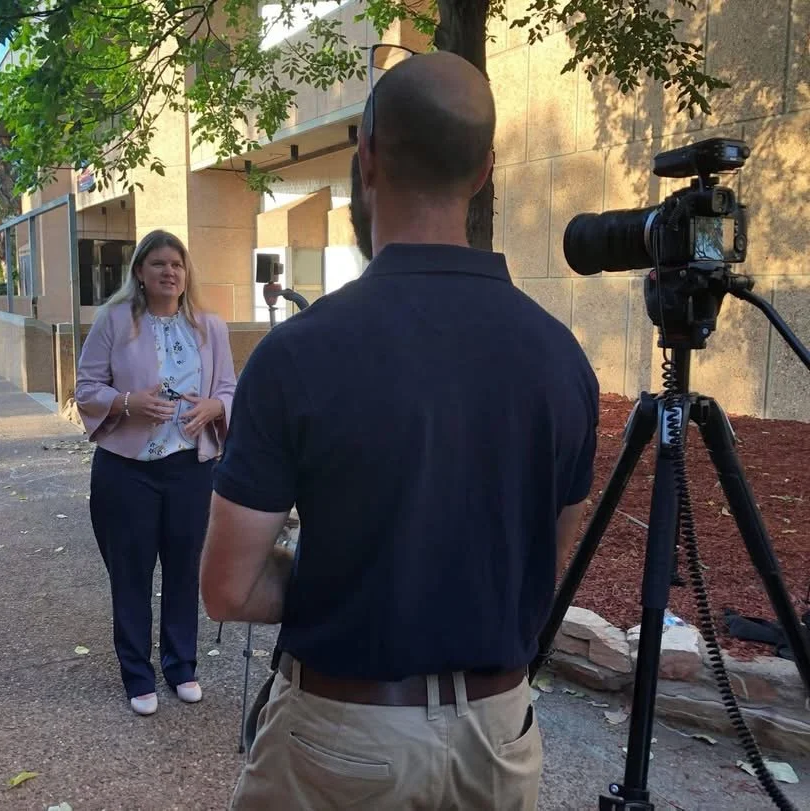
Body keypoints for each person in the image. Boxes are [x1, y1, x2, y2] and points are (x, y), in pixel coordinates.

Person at [201, 50, 600, 809]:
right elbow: (539, 568)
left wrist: (352, 580)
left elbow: (227, 586)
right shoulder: (561, 357)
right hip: (499, 741)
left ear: (368, 157)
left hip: (341, 740)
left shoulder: (296, 355)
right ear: (484, 171)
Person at [76, 229, 236, 716]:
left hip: (190, 469)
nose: (170, 272)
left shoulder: (210, 326)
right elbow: (85, 388)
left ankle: (181, 665)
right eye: (159, 264)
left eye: (178, 265)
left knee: (186, 571)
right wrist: (126, 403)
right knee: (130, 575)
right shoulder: (114, 321)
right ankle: (137, 675)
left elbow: (230, 387)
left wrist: (214, 406)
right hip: (127, 471)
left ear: (187, 275)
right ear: (140, 273)